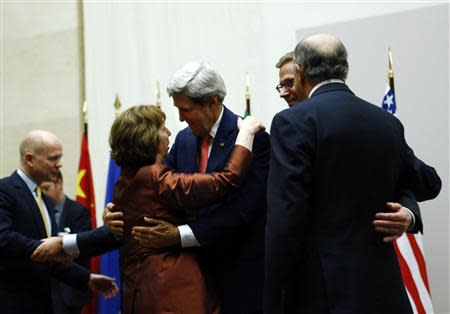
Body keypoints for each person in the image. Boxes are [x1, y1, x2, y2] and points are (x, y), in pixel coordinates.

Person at [265, 34, 441, 314]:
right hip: (383, 292)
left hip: (323, 293)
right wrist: (409, 213)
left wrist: (274, 299)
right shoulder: (386, 122)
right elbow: (428, 183)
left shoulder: (291, 123)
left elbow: (285, 219)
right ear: (344, 68)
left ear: (299, 72)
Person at [105, 62, 270, 314]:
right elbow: (158, 193)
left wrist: (180, 235)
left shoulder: (252, 138)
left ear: (212, 102)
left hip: (237, 272)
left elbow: (243, 211)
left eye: (185, 110)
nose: (180, 119)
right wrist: (115, 212)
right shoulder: (184, 140)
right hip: (186, 279)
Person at [275, 51, 423, 242]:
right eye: (280, 86)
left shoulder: (364, 124)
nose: (283, 93)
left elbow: (421, 179)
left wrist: (409, 213)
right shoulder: (287, 132)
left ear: (303, 77)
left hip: (334, 261)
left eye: (289, 82)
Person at [0, 130, 118, 314]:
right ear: (29, 159)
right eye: (53, 159)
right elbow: (3, 237)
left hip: (43, 304)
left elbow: (50, 260)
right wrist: (44, 248)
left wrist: (86, 278)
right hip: (13, 303)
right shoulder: (5, 190)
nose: (59, 164)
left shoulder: (44, 199)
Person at [40, 170, 92, 314]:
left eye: (46, 189)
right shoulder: (39, 211)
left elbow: (84, 248)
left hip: (69, 291)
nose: (43, 194)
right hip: (43, 292)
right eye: (40, 190)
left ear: (59, 184)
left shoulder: (78, 212)